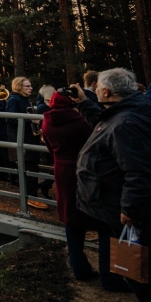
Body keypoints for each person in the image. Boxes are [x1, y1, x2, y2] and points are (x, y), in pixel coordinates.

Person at [75, 68, 151, 302]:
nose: (95, 90)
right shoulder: (126, 113)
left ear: (106, 91)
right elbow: (104, 123)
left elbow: (138, 169)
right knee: (135, 269)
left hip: (126, 209)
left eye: (97, 88)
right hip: (115, 203)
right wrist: (84, 103)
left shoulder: (126, 123)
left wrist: (129, 208)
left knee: (138, 270)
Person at [41, 89, 99, 282]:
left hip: (61, 169)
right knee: (102, 220)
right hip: (85, 170)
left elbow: (49, 146)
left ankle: (78, 267)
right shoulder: (81, 122)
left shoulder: (47, 121)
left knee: (71, 219)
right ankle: (110, 274)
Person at [6, 77, 46, 210]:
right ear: (19, 87)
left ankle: (31, 195)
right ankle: (31, 198)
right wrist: (30, 121)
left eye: (30, 86)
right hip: (22, 139)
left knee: (32, 167)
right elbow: (10, 120)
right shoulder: (14, 100)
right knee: (30, 169)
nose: (31, 88)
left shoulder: (24, 99)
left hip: (29, 137)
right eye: (27, 86)